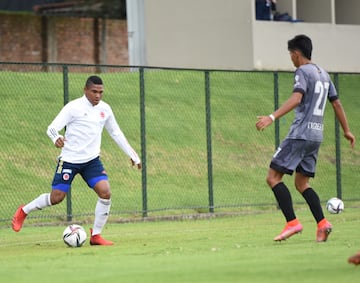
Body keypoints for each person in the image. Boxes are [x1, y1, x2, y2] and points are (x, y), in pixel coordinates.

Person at [12, 75, 142, 245]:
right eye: (94, 91)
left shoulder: (105, 109)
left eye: (101, 92)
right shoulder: (73, 107)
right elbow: (51, 128)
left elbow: (115, 133)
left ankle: (96, 236)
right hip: (69, 160)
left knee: (105, 192)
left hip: (92, 161)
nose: (98, 95)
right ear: (85, 90)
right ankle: (23, 211)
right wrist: (56, 138)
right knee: (57, 197)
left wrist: (132, 154)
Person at [256, 34, 355, 242]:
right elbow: (336, 104)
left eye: (290, 55)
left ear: (296, 54)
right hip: (316, 136)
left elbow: (297, 97)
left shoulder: (302, 71)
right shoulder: (324, 74)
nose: (291, 59)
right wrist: (347, 130)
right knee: (302, 183)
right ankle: (322, 223)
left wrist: (271, 117)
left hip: (300, 134)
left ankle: (292, 223)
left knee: (273, 178)